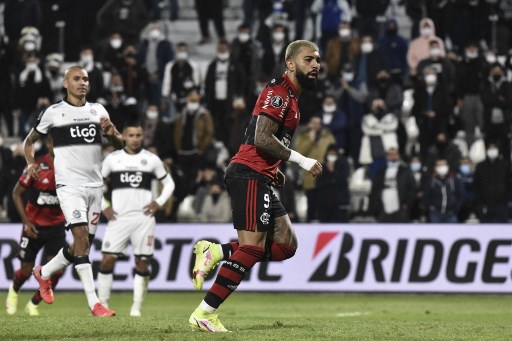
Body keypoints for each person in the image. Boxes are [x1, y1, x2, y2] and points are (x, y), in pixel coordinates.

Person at [188, 40, 323, 332]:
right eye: (309, 60)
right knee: (251, 248)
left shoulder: (292, 97)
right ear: (290, 63)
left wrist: (273, 168)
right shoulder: (279, 93)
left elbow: (263, 139)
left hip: (259, 174)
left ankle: (217, 252)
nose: (316, 65)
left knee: (286, 245)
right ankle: (205, 313)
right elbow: (262, 137)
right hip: (247, 173)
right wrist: (300, 160)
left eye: (317, 60)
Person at [22, 65, 124, 317]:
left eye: (86, 79)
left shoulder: (98, 110)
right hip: (69, 186)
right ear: (65, 83)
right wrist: (31, 163)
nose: (82, 83)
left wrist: (112, 134)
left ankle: (43, 272)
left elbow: (119, 143)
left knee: (82, 245)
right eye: (77, 78)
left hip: (95, 187)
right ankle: (95, 303)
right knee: (80, 238)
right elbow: (29, 142)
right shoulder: (54, 112)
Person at [97, 122, 175, 317]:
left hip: (144, 219)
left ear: (143, 137)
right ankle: (102, 306)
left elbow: (169, 183)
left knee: (142, 263)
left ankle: (136, 308)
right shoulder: (112, 159)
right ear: (123, 136)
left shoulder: (151, 160)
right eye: (131, 135)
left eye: (138, 135)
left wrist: (158, 202)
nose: (134, 139)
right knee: (106, 260)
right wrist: (104, 206)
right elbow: (95, 184)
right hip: (118, 219)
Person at [5, 138, 67, 316]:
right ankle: (14, 290)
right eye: (57, 142)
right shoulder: (37, 167)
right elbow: (17, 193)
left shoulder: (70, 168)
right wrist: (26, 222)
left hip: (56, 226)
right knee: (25, 271)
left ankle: (33, 303)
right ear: (49, 144)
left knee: (57, 270)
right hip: (34, 225)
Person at [369, 148, 416, 222]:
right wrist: (376, 205)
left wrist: (406, 204)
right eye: (390, 154)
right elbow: (375, 189)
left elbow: (412, 188)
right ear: (387, 157)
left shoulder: (405, 171)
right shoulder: (381, 172)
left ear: (398, 156)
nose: (392, 156)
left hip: (400, 209)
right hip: (383, 209)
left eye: (395, 154)